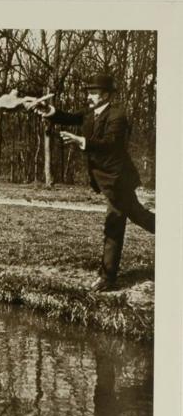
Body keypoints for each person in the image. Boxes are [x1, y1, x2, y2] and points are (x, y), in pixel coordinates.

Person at [32, 73, 155, 292]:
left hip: (119, 180)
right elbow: (69, 117)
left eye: (94, 93)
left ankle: (107, 278)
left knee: (114, 226)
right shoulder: (90, 113)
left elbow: (110, 144)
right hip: (106, 180)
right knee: (140, 216)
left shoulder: (118, 115)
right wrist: (49, 112)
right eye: (88, 92)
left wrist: (81, 141)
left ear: (106, 95)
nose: (89, 97)